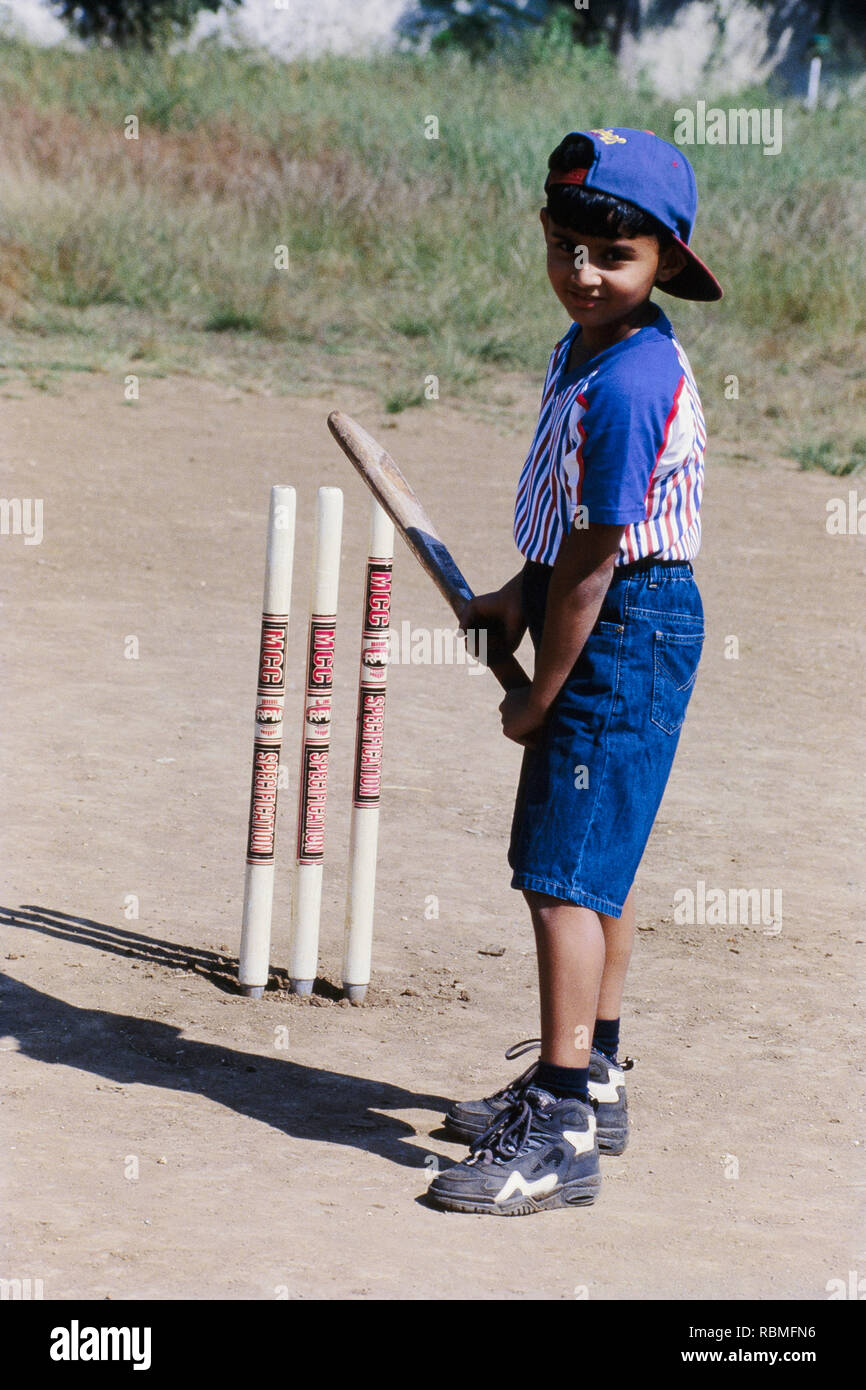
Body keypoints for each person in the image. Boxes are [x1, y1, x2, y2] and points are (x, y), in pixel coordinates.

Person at [427, 127, 722, 1216]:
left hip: (624, 624)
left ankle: (557, 1132)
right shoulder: (584, 346)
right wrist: (516, 587)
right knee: (602, 860)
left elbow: (599, 562)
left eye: (612, 256)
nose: (582, 275)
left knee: (559, 872)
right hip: (597, 603)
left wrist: (539, 691)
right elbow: (570, 537)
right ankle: (591, 1072)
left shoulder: (635, 374)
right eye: (562, 248)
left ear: (666, 262)